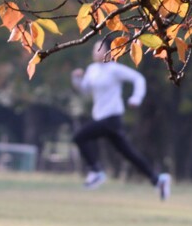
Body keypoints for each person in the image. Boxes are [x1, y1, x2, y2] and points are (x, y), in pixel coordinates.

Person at [71, 37, 172, 200]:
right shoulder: (92, 69)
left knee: (79, 137)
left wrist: (136, 98)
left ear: (109, 52)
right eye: (94, 49)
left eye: (99, 49)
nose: (95, 52)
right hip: (100, 117)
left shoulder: (114, 69)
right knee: (128, 153)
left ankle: (96, 171)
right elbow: (85, 91)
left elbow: (138, 79)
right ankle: (158, 179)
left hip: (112, 117)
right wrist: (76, 79)